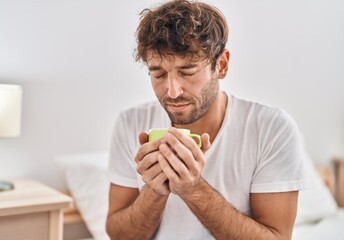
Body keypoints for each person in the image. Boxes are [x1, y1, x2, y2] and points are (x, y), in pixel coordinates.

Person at [105, 0, 308, 239]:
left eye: (187, 72)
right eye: (158, 73)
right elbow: (119, 234)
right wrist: (154, 191)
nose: (172, 91)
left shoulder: (271, 128)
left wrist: (193, 189)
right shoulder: (131, 122)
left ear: (221, 65)